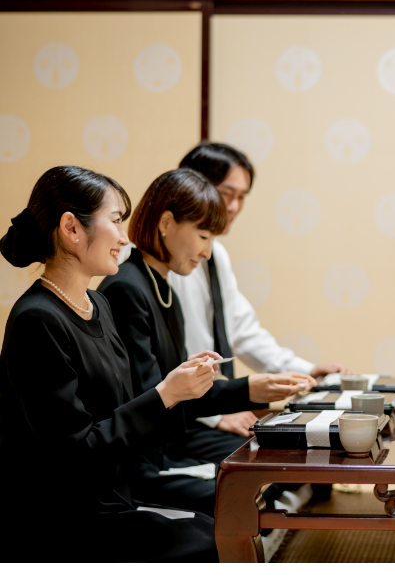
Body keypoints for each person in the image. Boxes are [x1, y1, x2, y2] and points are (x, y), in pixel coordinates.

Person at [0, 165, 219, 562]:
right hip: (65, 516)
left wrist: (174, 388)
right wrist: (165, 395)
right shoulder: (37, 319)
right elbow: (74, 451)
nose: (123, 237)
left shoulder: (97, 304)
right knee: (210, 540)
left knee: (213, 527)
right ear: (72, 228)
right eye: (116, 221)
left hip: (114, 496)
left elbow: (124, 409)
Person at [98, 169, 314, 513]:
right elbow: (154, 398)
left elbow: (174, 394)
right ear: (166, 222)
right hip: (142, 462)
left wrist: (251, 389)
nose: (208, 253)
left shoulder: (161, 287)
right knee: (253, 487)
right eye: (203, 236)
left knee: (278, 468)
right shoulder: (129, 288)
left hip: (164, 446)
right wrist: (245, 389)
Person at [170, 143, 347, 440]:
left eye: (241, 197)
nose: (234, 206)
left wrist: (305, 371)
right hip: (181, 413)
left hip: (211, 403)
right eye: (227, 194)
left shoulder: (218, 255)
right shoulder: (164, 260)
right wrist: (219, 415)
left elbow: (241, 329)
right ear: (191, 187)